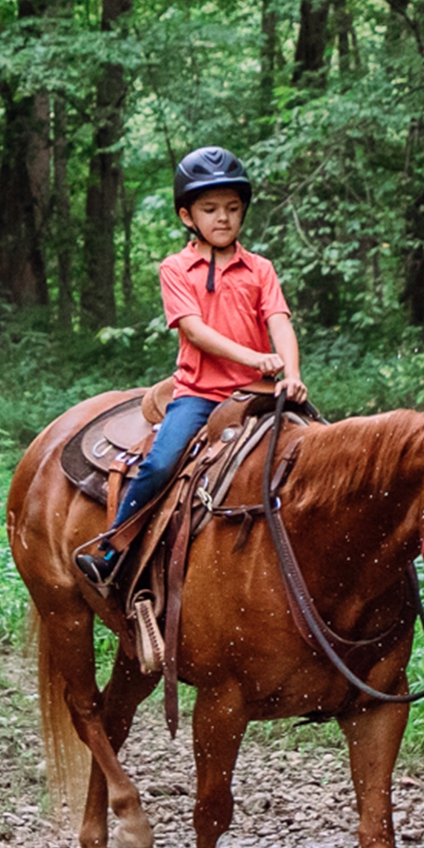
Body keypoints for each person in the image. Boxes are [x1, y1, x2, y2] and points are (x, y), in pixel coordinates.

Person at [78, 146, 302, 585]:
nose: (223, 218)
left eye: (233, 209)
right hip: (201, 396)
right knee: (161, 464)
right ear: (187, 216)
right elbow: (195, 331)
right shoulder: (176, 268)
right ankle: (113, 549)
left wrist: (292, 375)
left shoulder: (260, 269)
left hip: (259, 396)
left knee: (319, 455)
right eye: (211, 209)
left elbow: (280, 322)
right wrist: (253, 358)